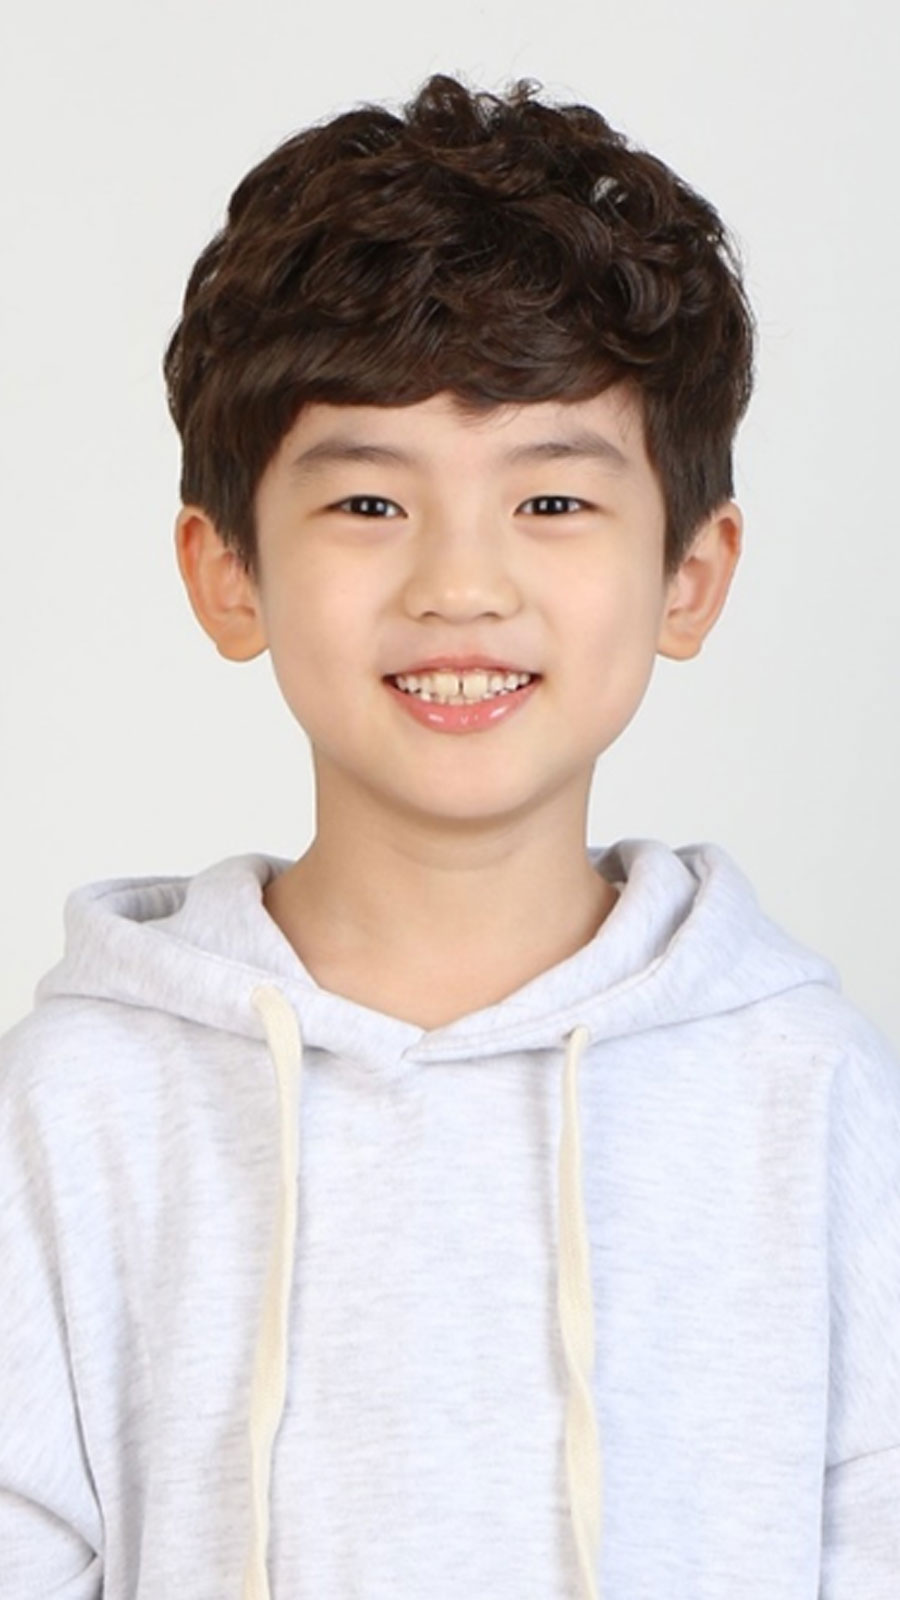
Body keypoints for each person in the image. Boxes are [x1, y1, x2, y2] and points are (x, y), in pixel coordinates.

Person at [1, 71, 898, 1600]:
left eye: (553, 504)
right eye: (368, 504)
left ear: (690, 575)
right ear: (228, 573)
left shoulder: (811, 1092)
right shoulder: (79, 1106)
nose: (460, 586)